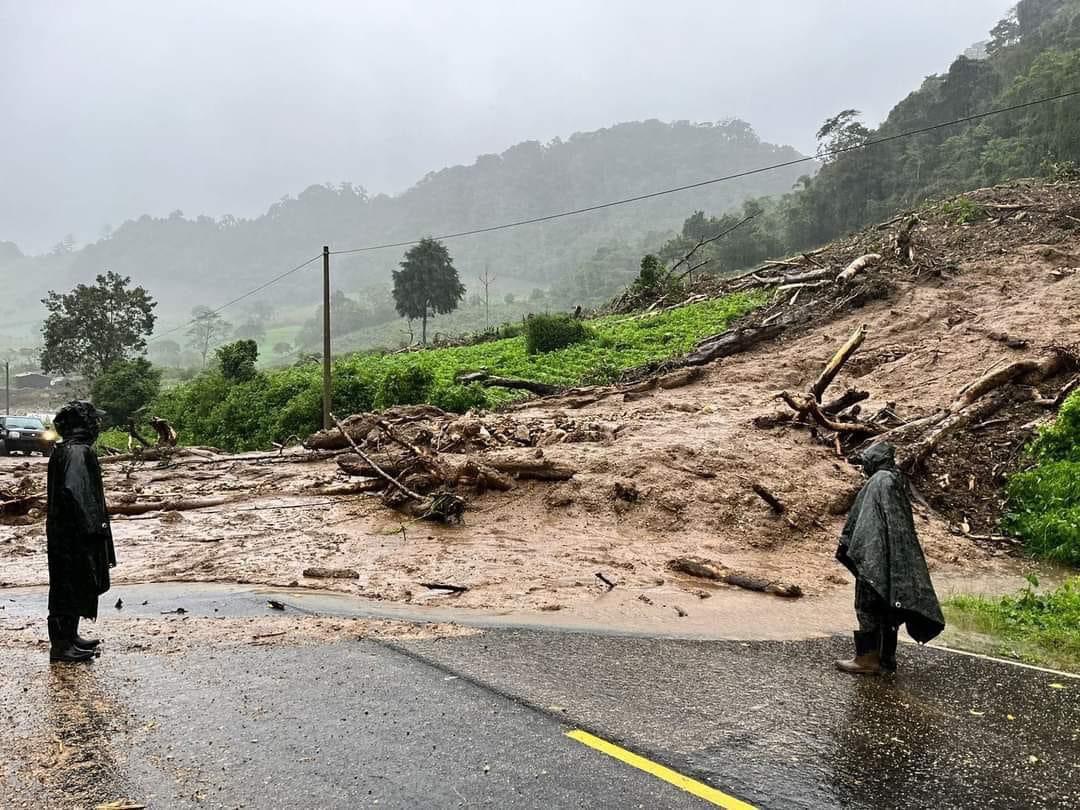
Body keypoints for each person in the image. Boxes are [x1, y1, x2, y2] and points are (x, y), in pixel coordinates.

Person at [834, 443, 944, 675]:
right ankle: (886, 659)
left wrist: (865, 555)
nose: (864, 467)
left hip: (876, 556)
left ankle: (867, 658)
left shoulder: (879, 481)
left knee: (868, 605)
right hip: (890, 556)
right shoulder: (895, 479)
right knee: (888, 608)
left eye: (866, 462)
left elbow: (869, 523)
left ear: (875, 461)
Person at [46, 401, 115, 663]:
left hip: (65, 532)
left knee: (69, 583)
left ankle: (69, 637)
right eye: (93, 421)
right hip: (74, 534)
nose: (96, 425)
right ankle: (62, 645)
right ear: (82, 424)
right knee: (70, 584)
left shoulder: (67, 449)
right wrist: (94, 527)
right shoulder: (78, 453)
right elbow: (76, 492)